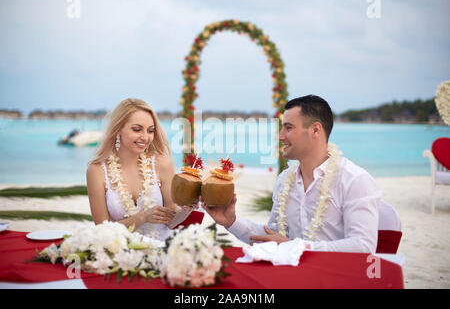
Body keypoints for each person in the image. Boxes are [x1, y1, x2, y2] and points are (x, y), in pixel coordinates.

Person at [203, 95, 400, 253]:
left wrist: (296, 247)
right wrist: (231, 221)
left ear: (315, 130)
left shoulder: (354, 180)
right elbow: (274, 237)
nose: (280, 136)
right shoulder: (284, 180)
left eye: (288, 128)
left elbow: (362, 246)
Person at [87, 98, 183, 240]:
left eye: (150, 131)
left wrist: (189, 207)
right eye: (137, 129)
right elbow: (102, 231)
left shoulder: (162, 164)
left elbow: (172, 221)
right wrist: (143, 217)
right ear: (118, 129)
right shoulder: (97, 172)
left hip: (162, 250)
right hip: (121, 254)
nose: (145, 137)